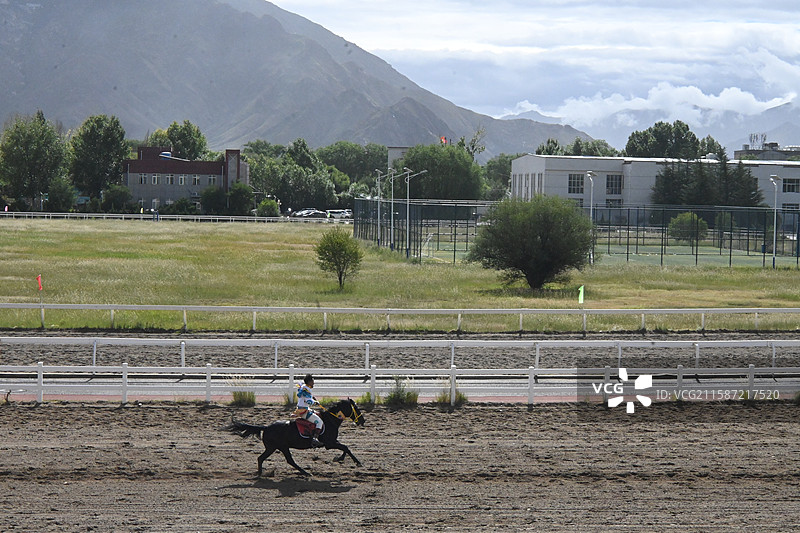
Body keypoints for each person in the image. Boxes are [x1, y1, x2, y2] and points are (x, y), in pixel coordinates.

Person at [295, 373, 324, 447]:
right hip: (304, 411)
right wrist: (315, 402)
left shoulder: (304, 388)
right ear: (309, 382)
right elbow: (308, 401)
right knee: (319, 422)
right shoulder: (306, 390)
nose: (314, 382)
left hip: (303, 409)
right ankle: (314, 439)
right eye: (312, 381)